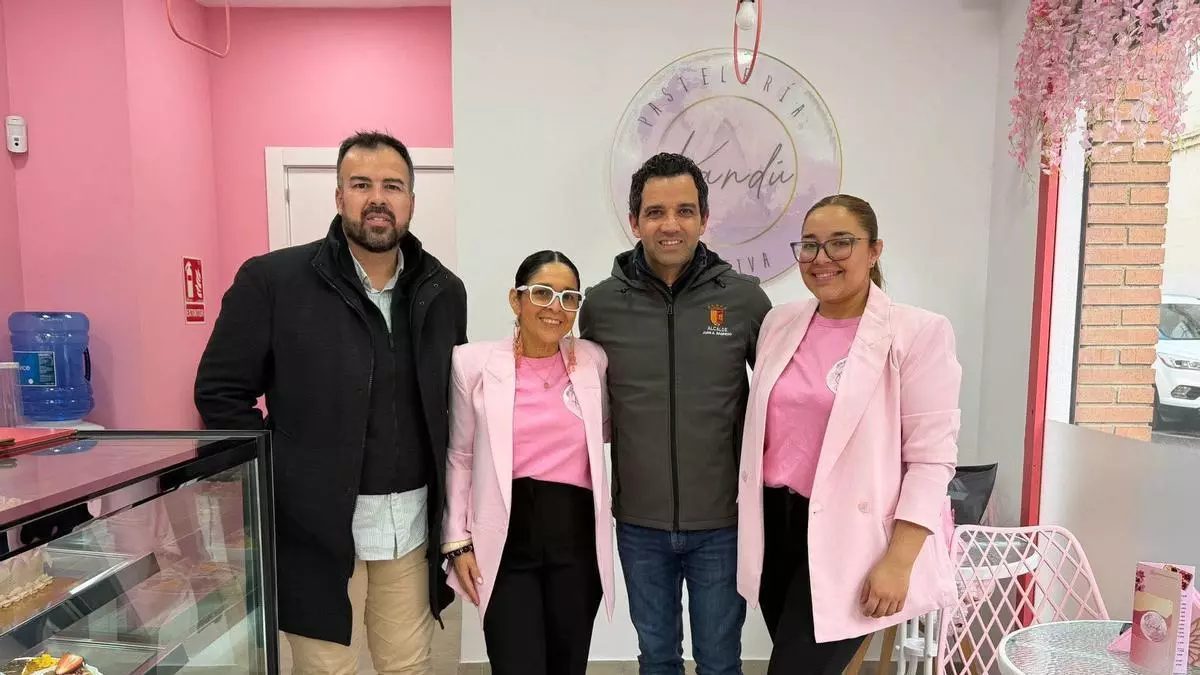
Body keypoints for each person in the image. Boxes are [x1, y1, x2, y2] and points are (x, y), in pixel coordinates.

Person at [194, 131, 466, 675]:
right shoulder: (273, 281)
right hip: (315, 529)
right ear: (339, 197)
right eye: (361, 184)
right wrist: (279, 474)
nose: (377, 199)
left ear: (412, 200)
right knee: (325, 669)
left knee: (408, 666)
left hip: (411, 526)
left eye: (392, 186)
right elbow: (220, 393)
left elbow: (450, 405)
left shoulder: (443, 290)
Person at [735, 194, 960, 674]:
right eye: (810, 245)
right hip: (776, 528)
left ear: (874, 250)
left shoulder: (917, 333)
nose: (822, 258)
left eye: (841, 243)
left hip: (851, 537)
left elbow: (931, 459)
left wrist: (899, 561)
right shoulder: (780, 323)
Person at [579, 152, 772, 675]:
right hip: (639, 524)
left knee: (720, 661)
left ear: (704, 219)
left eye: (685, 211)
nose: (670, 225)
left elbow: (780, 397)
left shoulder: (744, 301)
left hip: (723, 523)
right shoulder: (600, 306)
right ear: (634, 220)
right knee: (657, 658)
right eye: (655, 212)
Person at [442, 250, 614, 675]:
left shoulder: (593, 361)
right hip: (505, 541)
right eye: (542, 293)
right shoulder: (473, 364)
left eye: (569, 297)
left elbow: (607, 431)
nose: (556, 307)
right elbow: (460, 454)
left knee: (567, 664)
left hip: (576, 544)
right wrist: (457, 540)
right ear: (515, 300)